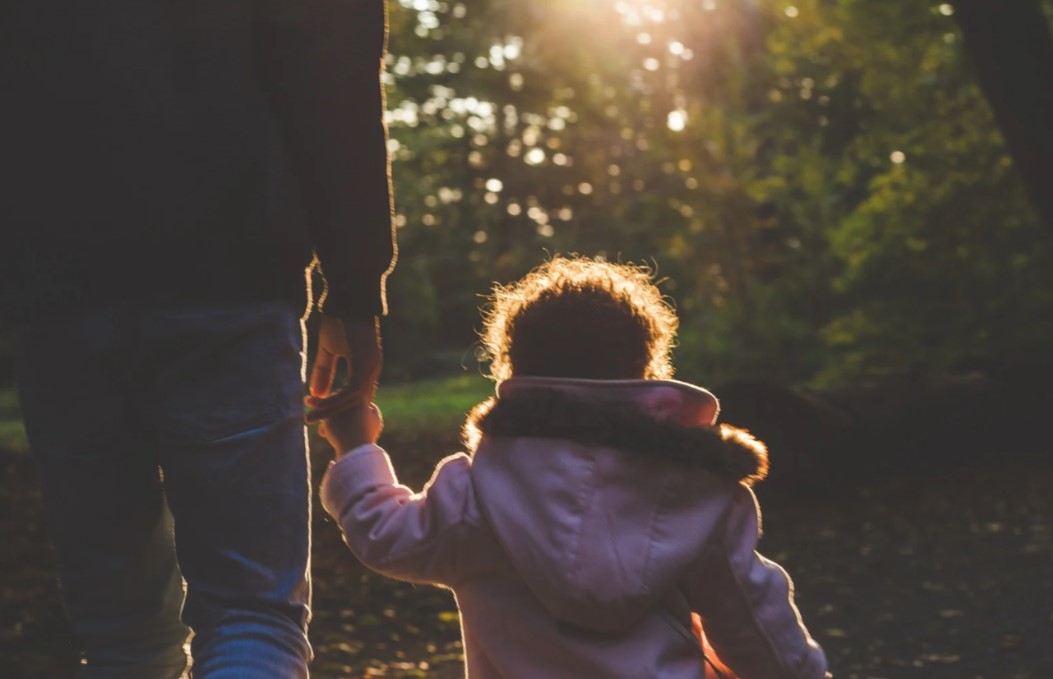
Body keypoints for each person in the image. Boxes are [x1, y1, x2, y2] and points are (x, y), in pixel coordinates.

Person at [1, 0, 396, 676]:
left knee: (119, 629)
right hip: (229, 274)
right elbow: (333, 76)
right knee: (251, 613)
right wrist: (355, 287)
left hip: (53, 290)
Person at [317, 257, 829, 679]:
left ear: (513, 370)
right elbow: (753, 619)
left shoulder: (476, 495)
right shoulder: (694, 490)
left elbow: (387, 535)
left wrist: (356, 446)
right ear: (644, 370)